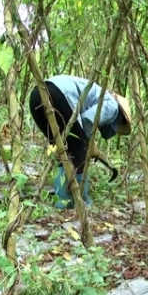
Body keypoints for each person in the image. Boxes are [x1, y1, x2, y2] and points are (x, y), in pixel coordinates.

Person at [28, 74, 132, 209]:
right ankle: (82, 203)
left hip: (37, 95)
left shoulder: (99, 94)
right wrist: (87, 144)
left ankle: (62, 201)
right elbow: (87, 120)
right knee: (79, 152)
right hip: (57, 95)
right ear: (121, 117)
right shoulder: (113, 106)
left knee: (63, 151)